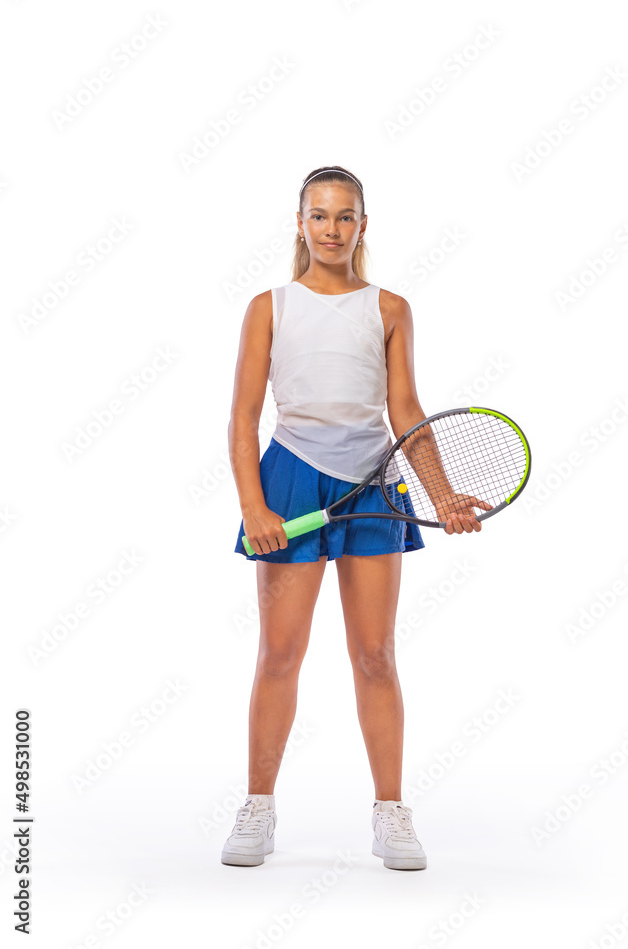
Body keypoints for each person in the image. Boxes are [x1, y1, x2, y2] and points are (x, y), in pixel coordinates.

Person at [222, 166, 485, 871]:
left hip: (374, 485)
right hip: (290, 480)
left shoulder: (390, 308)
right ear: (300, 223)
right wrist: (253, 505)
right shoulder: (269, 307)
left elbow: (406, 412)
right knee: (279, 654)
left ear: (362, 226)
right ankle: (257, 807)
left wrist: (442, 496)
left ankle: (391, 813)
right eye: (319, 215)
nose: (331, 229)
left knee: (375, 655)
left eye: (345, 217)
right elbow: (243, 417)